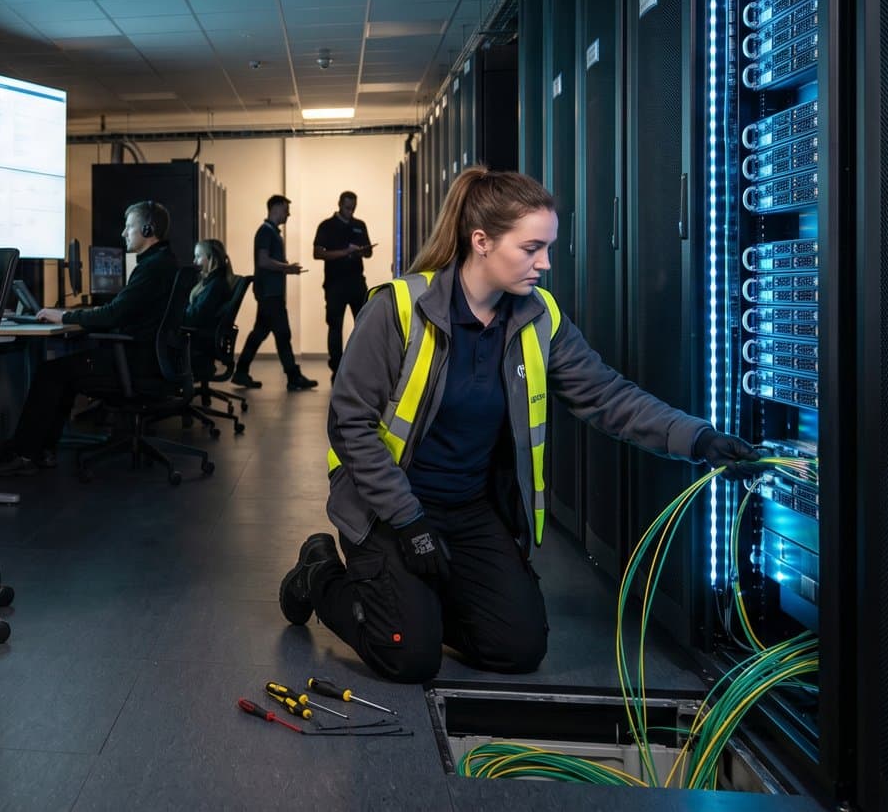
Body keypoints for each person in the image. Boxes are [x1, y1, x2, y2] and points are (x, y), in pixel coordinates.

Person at [277, 166, 764, 684]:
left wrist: (699, 439)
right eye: (532, 248)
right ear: (481, 241)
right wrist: (409, 520)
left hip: (468, 506)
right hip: (387, 506)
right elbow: (349, 426)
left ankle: (417, 604)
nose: (545, 263)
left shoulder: (538, 317)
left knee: (518, 647)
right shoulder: (399, 309)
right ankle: (318, 574)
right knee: (408, 655)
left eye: (547, 248)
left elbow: (608, 396)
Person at [1, 200, 177, 472]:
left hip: (136, 364)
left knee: (52, 373)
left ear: (147, 229)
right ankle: (42, 450)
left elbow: (113, 315)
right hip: (151, 360)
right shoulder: (164, 262)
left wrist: (64, 316)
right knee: (63, 370)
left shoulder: (152, 267)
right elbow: (121, 311)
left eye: (129, 227)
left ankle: (25, 452)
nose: (123, 233)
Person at [231, 195, 318, 392]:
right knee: (282, 334)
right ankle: (293, 376)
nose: (289, 214)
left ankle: (241, 372)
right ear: (276, 208)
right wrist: (286, 267)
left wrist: (286, 269)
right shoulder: (265, 232)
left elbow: (267, 261)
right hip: (270, 293)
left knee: (260, 333)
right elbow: (263, 261)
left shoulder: (272, 233)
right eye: (286, 210)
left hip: (270, 292)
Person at [313, 191, 373, 376]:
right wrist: (345, 252)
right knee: (335, 326)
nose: (350, 211)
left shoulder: (359, 225)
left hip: (357, 282)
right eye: (347, 208)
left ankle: (362, 365)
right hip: (335, 284)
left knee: (363, 325)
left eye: (353, 208)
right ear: (339, 204)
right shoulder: (326, 226)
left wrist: (361, 251)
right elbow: (318, 253)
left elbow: (369, 253)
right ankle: (337, 368)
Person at [183, 238, 234, 329]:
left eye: (198, 256)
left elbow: (195, 317)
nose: (194, 261)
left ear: (212, 259)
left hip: (196, 334)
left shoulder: (215, 286)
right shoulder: (212, 282)